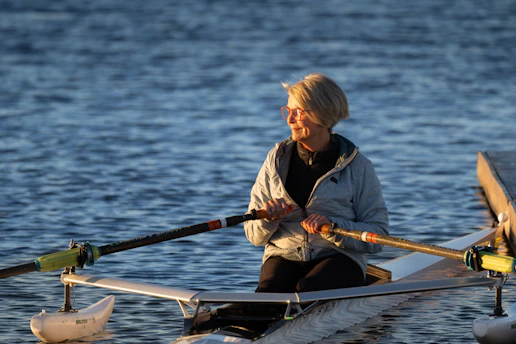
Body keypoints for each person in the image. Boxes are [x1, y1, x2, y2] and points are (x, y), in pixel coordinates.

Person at [244, 73, 389, 293]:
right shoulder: (274, 161)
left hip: (339, 257)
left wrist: (332, 228)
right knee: (269, 291)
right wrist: (267, 217)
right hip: (283, 255)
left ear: (323, 115)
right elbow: (254, 236)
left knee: (308, 288)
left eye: (298, 112)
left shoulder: (358, 167)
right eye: (288, 111)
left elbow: (378, 236)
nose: (290, 120)